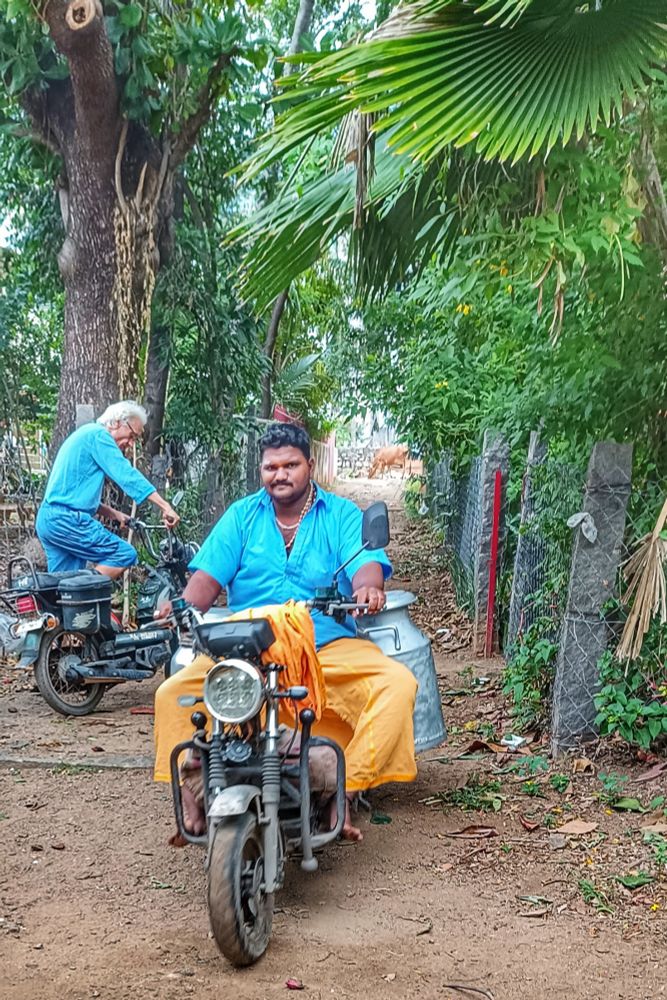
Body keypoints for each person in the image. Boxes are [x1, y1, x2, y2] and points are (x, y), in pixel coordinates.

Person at [153, 422, 418, 841]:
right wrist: (182, 603)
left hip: (325, 642)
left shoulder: (342, 515)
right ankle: (191, 793)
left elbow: (365, 564)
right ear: (260, 470)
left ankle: (345, 792)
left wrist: (368, 587)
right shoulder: (241, 517)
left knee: (397, 685)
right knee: (170, 695)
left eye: (290, 465)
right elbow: (204, 582)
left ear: (309, 465)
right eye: (270, 467)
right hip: (246, 647)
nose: (280, 474)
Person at [36, 401, 179, 579]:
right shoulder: (99, 436)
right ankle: (86, 590)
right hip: (67, 520)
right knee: (123, 554)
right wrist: (165, 506)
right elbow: (126, 475)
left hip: (50, 519)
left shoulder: (86, 435)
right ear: (117, 422)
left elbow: (74, 496)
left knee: (62, 585)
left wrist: (114, 514)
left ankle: (67, 601)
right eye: (132, 435)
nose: (131, 443)